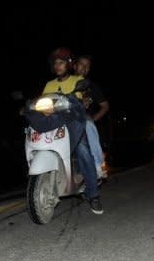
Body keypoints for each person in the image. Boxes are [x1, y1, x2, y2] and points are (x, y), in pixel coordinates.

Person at [40, 47, 103, 214]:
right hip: (55, 124)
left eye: (61, 62)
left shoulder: (77, 80)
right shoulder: (49, 84)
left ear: (68, 64)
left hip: (74, 123)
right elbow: (43, 104)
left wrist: (85, 101)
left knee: (83, 150)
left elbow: (83, 100)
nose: (58, 66)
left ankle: (94, 194)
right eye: (55, 63)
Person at [74, 54, 110, 179]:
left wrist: (94, 118)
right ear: (74, 65)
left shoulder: (92, 86)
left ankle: (97, 164)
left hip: (83, 121)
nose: (84, 68)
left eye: (87, 66)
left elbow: (105, 106)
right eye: (81, 64)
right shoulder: (64, 82)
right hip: (64, 120)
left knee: (88, 124)